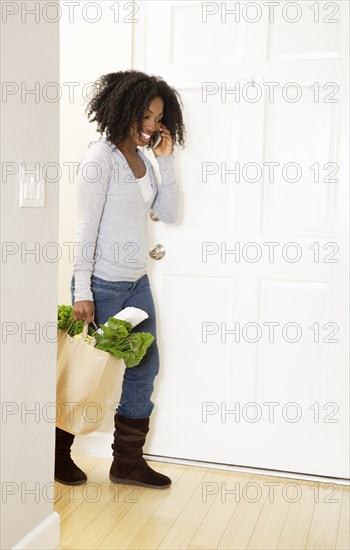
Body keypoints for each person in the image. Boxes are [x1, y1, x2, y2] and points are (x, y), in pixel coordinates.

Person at [54, 70, 186, 489]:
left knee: (144, 370)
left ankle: (127, 464)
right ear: (123, 108)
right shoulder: (101, 157)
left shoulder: (146, 158)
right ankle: (55, 454)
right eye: (145, 116)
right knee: (87, 371)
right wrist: (82, 290)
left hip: (137, 285)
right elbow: (85, 227)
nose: (151, 126)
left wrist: (166, 159)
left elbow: (169, 213)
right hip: (104, 285)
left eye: (157, 118)